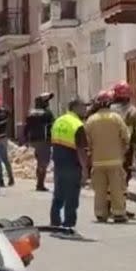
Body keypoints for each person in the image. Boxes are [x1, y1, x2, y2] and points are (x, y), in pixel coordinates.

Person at [84, 90, 130, 223]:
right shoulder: (116, 118)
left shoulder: (91, 120)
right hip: (115, 160)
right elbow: (126, 137)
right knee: (117, 188)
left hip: (97, 161)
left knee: (100, 190)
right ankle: (119, 213)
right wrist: (124, 150)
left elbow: (87, 141)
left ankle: (100, 213)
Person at [49, 98, 89, 236]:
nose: (85, 110)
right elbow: (81, 150)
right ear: (76, 108)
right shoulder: (77, 125)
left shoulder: (58, 121)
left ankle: (54, 223)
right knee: (72, 197)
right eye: (83, 107)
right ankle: (68, 225)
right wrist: (85, 170)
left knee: (59, 194)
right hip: (72, 164)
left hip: (59, 163)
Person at [111, 81, 136, 219]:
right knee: (122, 179)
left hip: (106, 150)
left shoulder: (107, 109)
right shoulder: (132, 111)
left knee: (109, 179)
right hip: (125, 152)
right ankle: (120, 208)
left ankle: (108, 207)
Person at [24, 93, 56, 192]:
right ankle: (40, 184)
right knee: (43, 163)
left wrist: (26, 139)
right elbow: (53, 126)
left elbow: (26, 128)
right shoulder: (47, 113)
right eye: (47, 101)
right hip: (44, 140)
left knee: (40, 162)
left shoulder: (31, 113)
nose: (48, 103)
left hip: (34, 140)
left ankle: (39, 183)